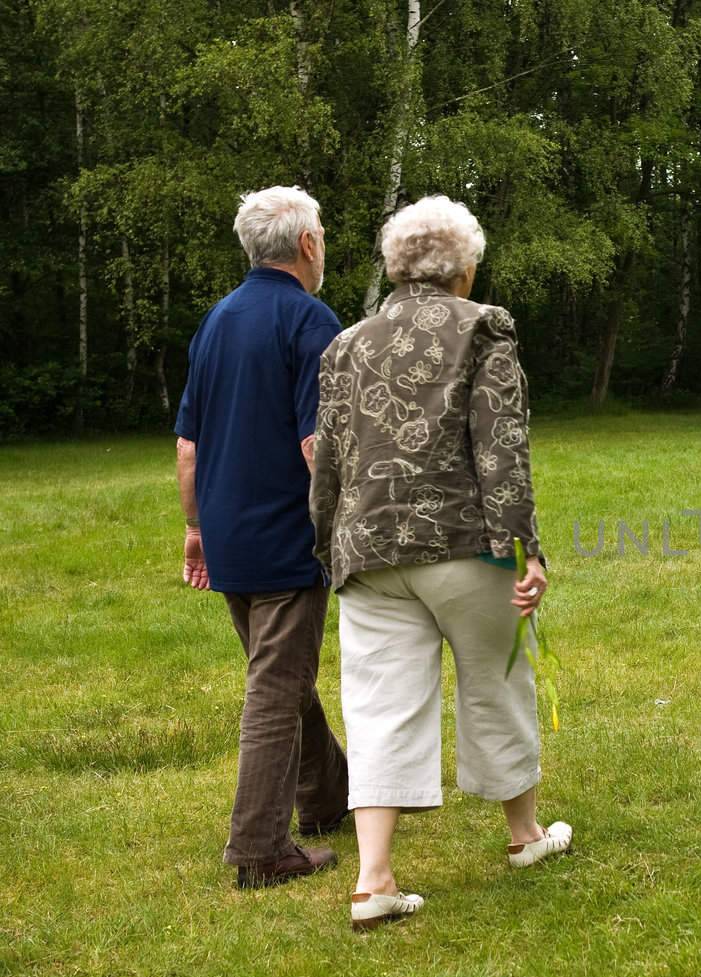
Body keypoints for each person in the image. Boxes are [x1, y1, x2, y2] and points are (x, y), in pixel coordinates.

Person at [310, 195, 570, 931]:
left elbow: (326, 458)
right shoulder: (484, 325)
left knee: (379, 705)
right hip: (464, 543)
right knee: (497, 678)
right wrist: (526, 548)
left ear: (396, 266)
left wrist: (327, 541)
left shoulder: (347, 344)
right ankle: (524, 835)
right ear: (465, 268)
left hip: (367, 549)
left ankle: (374, 879)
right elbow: (501, 448)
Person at [174, 186, 350, 889]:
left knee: (284, 676)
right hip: (286, 538)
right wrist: (347, 525)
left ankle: (328, 798)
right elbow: (320, 444)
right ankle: (258, 849)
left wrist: (194, 529)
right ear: (307, 245)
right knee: (277, 688)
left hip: (228, 536)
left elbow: (188, 445)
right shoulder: (310, 320)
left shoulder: (214, 321)